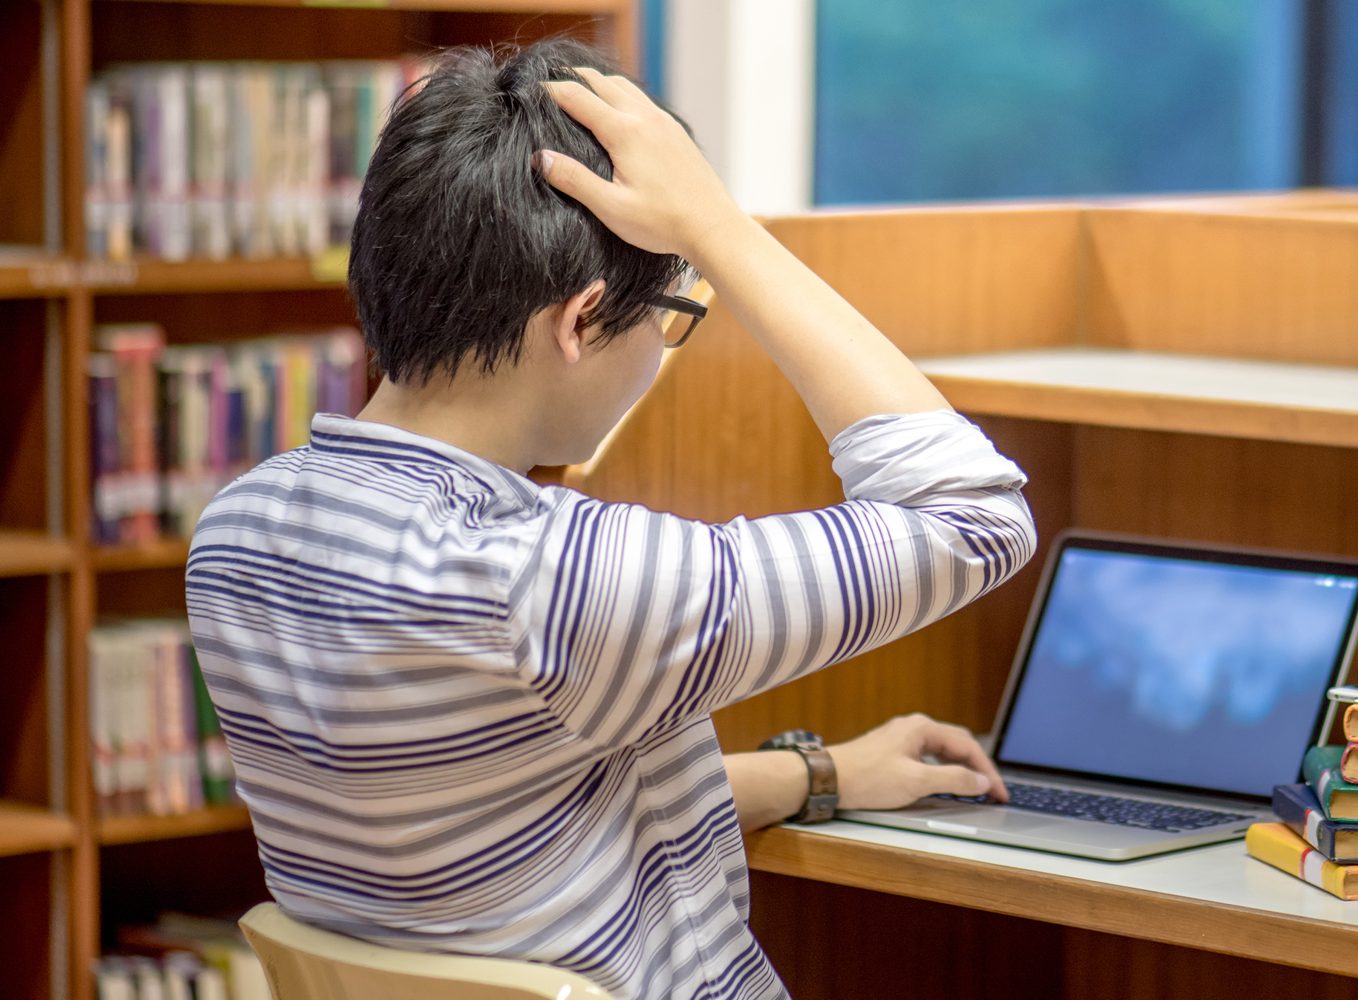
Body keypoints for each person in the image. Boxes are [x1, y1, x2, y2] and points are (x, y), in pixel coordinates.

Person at [184, 38, 1036, 1000]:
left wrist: (815, 774)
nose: (665, 343)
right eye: (671, 314)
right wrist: (719, 228)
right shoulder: (560, 582)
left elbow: (506, 805)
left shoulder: (239, 538)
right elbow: (973, 512)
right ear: (580, 321)